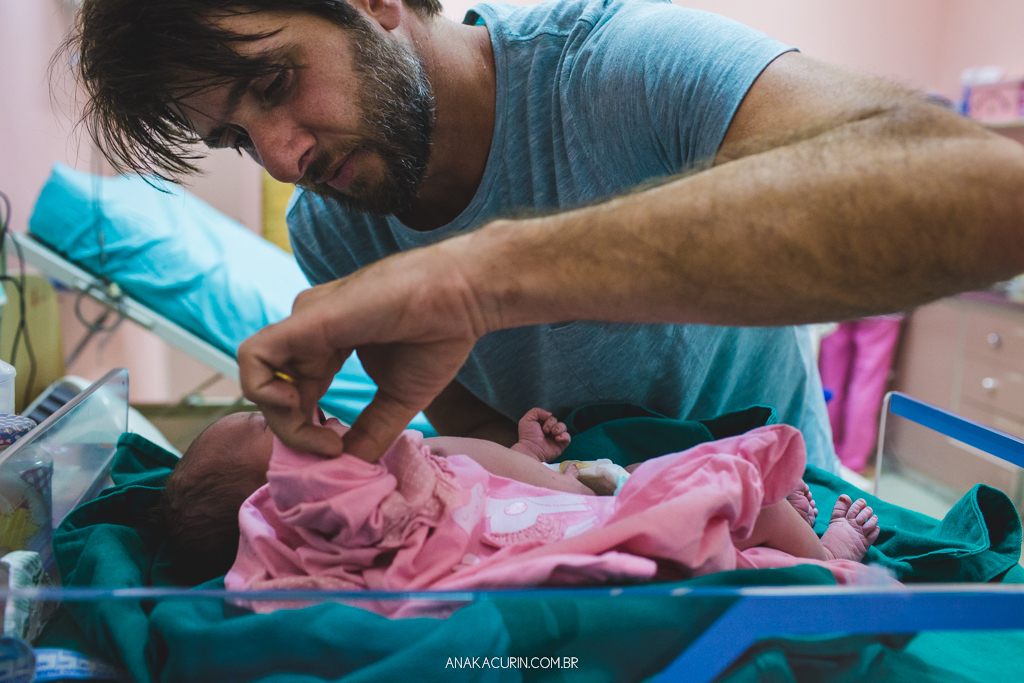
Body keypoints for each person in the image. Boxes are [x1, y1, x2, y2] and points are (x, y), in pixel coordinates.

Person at [69, 0, 1024, 468]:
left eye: (276, 84)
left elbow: (984, 188)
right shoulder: (336, 225)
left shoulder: (622, 67)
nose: (280, 156)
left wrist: (483, 277)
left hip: (784, 533)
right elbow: (480, 433)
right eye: (236, 137)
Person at [161, 408, 878, 585]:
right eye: (271, 428)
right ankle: (830, 556)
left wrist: (526, 450)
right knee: (721, 481)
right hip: (591, 524)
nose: (302, 416)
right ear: (284, 506)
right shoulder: (370, 519)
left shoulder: (411, 458)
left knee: (708, 484)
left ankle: (775, 529)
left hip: (570, 493)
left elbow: (482, 467)